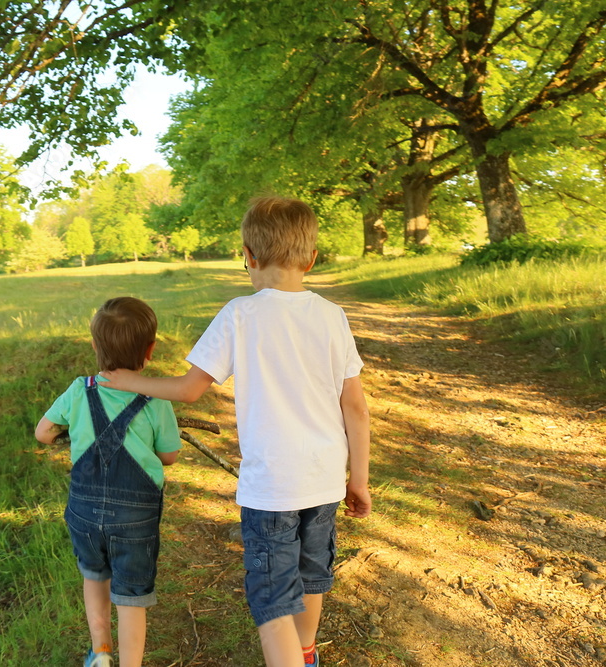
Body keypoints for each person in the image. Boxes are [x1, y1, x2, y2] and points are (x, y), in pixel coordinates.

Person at [99, 197, 372, 667]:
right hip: (325, 479)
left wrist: (128, 380)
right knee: (310, 578)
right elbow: (356, 408)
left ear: (248, 254)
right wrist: (359, 479)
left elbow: (188, 390)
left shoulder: (240, 313)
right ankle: (306, 654)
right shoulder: (332, 315)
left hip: (272, 488)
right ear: (310, 258)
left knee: (272, 601)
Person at [35, 296, 182, 667]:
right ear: (150, 350)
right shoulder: (156, 398)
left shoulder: (79, 390)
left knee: (94, 576)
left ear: (94, 345)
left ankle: (100, 652)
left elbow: (44, 433)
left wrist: (63, 431)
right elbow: (169, 456)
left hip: (83, 512)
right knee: (131, 596)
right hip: (134, 518)